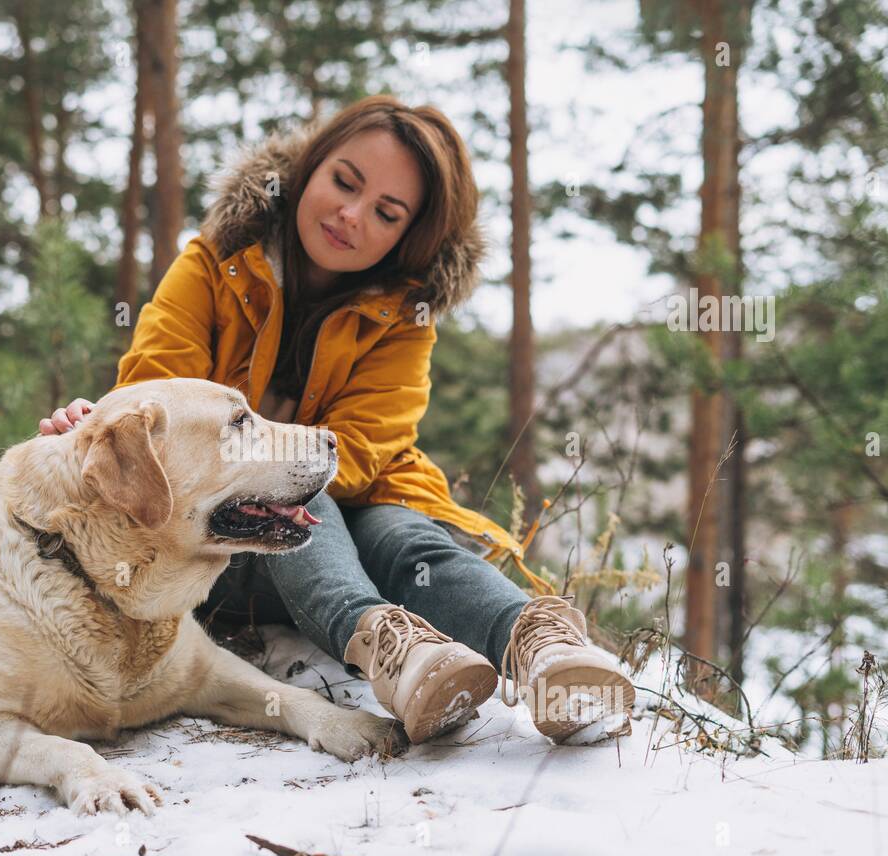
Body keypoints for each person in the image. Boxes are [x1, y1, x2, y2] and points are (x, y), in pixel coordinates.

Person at [41, 95, 634, 744]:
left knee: (407, 539)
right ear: (309, 168)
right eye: (344, 182)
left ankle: (539, 647)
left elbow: (358, 452)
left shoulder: (406, 318)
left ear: (409, 238)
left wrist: (290, 472)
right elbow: (152, 390)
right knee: (301, 488)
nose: (350, 215)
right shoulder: (212, 266)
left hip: (357, 513)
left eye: (386, 213)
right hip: (211, 540)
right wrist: (99, 428)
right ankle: (392, 650)